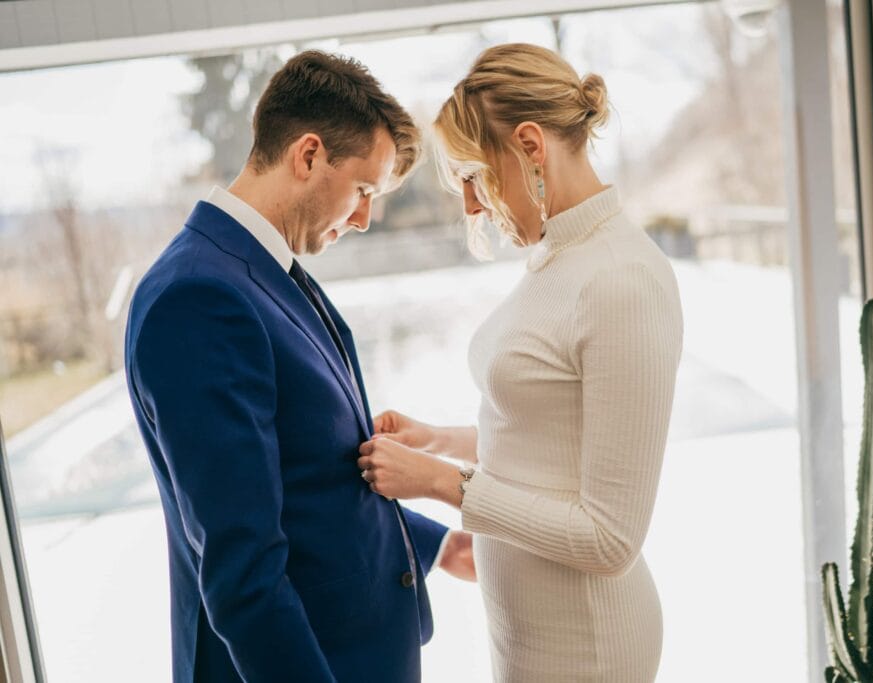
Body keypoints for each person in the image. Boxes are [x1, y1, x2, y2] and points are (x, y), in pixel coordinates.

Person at [124, 50, 473, 683]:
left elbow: (314, 475)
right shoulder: (199, 298)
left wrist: (435, 545)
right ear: (308, 155)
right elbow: (244, 571)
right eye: (364, 190)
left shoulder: (259, 270)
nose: (365, 218)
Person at [357, 43, 683, 682]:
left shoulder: (622, 281)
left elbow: (610, 539)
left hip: (587, 645)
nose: (472, 207)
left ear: (531, 146)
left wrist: (437, 482)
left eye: (474, 178)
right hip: (533, 633)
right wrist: (440, 441)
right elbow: (551, 441)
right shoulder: (560, 255)